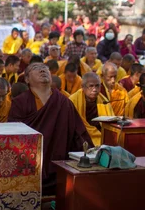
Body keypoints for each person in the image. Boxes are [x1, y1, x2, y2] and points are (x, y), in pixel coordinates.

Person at [9, 62, 92, 195]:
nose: (42, 70)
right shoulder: (20, 102)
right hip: (29, 165)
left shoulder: (64, 102)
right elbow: (14, 135)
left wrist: (88, 153)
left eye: (45, 69)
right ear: (27, 79)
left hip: (58, 166)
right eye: (36, 69)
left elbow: (78, 132)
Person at [69, 72, 114, 146]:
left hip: (100, 135)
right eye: (91, 86)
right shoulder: (73, 100)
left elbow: (110, 124)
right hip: (80, 136)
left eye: (97, 86)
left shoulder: (104, 101)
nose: (95, 89)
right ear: (83, 87)